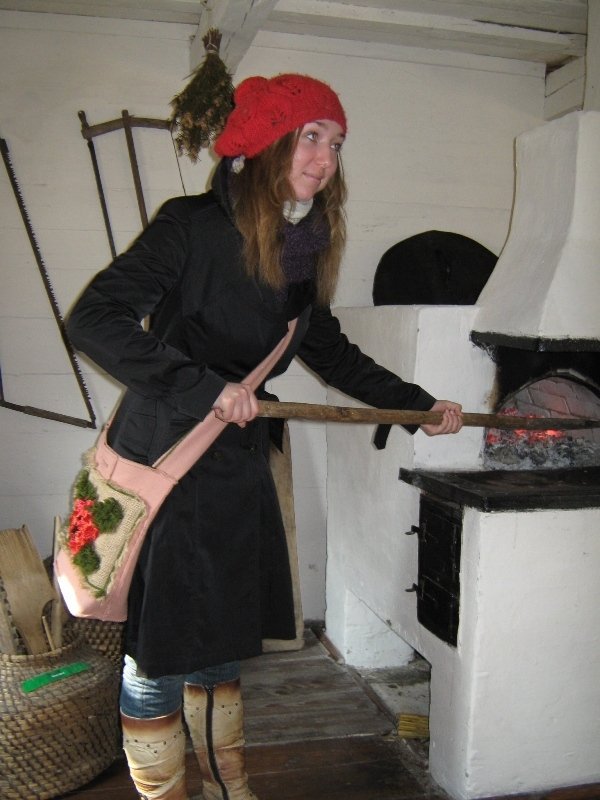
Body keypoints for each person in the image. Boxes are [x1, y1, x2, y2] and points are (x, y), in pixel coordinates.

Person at [66, 73, 462, 800]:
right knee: (159, 650)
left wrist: (418, 405)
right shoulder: (189, 225)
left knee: (220, 639)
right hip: (170, 459)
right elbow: (93, 319)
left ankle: (230, 787)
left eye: (336, 143)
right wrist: (205, 388)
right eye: (310, 137)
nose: (325, 158)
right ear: (266, 143)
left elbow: (329, 350)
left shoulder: (300, 247)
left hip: (234, 466)